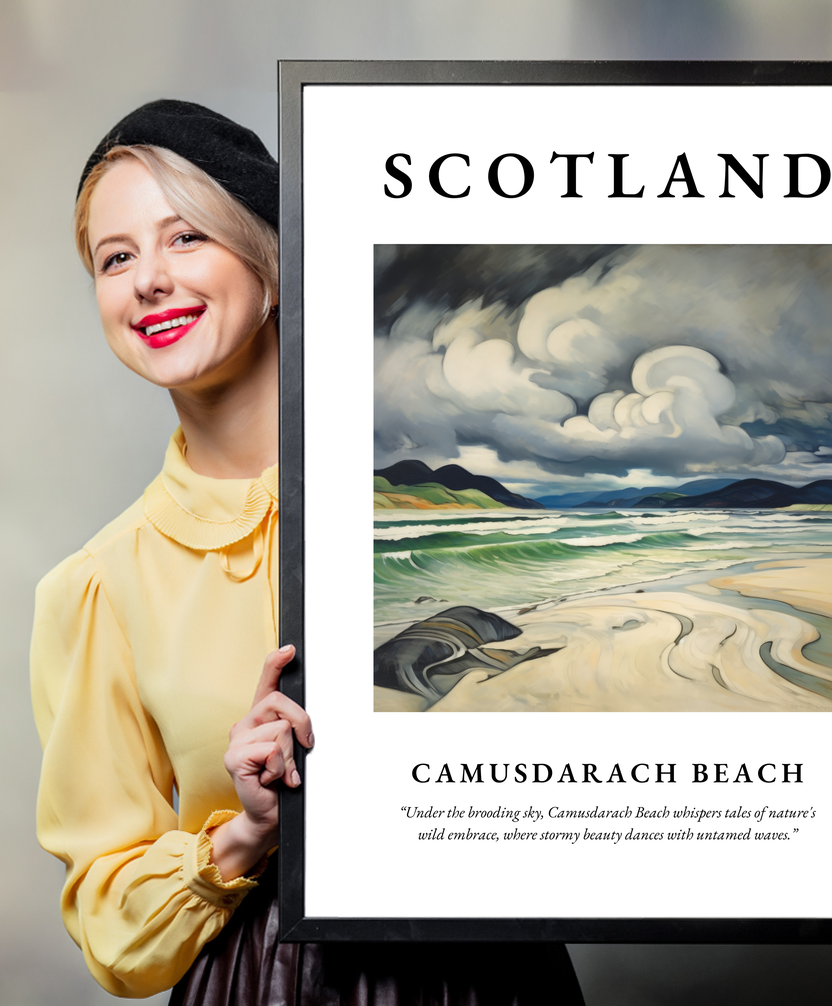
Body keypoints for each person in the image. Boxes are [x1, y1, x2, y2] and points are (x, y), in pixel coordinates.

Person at [30, 100, 585, 1004]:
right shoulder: (97, 587)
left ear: (274, 265)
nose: (148, 281)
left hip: (494, 973)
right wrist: (245, 832)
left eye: (186, 239)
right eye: (116, 257)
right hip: (264, 981)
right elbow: (110, 924)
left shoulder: (458, 515)